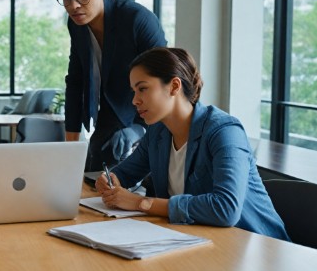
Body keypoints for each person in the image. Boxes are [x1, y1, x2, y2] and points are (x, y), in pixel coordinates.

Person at [96, 47, 289, 240]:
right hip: (198, 240)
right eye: (133, 91)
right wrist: (110, 180)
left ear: (174, 86)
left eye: (142, 89)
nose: (135, 100)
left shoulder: (225, 131)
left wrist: (142, 203)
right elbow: (125, 174)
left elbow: (226, 208)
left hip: (256, 246)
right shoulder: (158, 132)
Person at [56, 0, 167, 172]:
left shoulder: (137, 20)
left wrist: (140, 128)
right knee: (88, 175)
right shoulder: (76, 24)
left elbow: (164, 82)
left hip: (145, 114)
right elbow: (76, 81)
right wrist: (70, 146)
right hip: (107, 114)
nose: (74, 5)